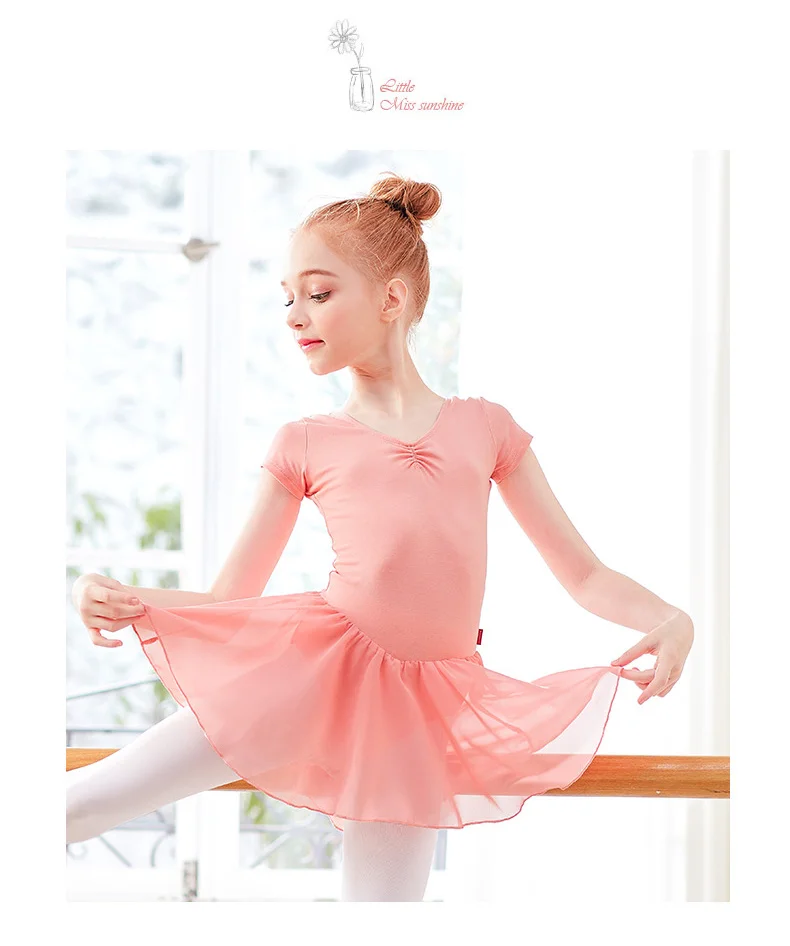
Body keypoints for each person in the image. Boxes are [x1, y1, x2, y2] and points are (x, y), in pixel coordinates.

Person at [67, 171, 695, 902]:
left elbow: (584, 575)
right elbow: (230, 597)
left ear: (392, 299)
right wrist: (120, 596)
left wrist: (670, 618)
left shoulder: (486, 428)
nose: (295, 315)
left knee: (383, 914)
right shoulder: (304, 441)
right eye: (287, 298)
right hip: (302, 676)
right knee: (80, 805)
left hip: (418, 712)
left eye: (318, 293)